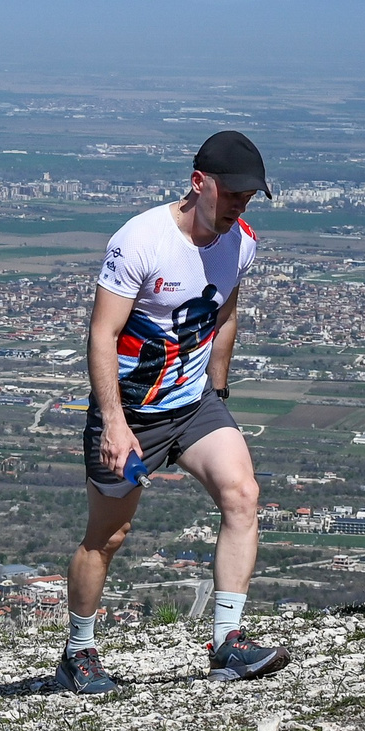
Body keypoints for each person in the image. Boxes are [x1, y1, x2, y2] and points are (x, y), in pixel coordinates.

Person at [60, 130, 288, 694]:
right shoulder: (141, 241)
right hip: (133, 412)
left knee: (243, 495)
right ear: (199, 183)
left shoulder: (242, 241)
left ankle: (226, 643)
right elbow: (102, 333)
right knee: (108, 537)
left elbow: (225, 311)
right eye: (233, 192)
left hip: (193, 404)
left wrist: (218, 386)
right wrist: (113, 423)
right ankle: (78, 651)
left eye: (250, 195)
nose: (241, 204)